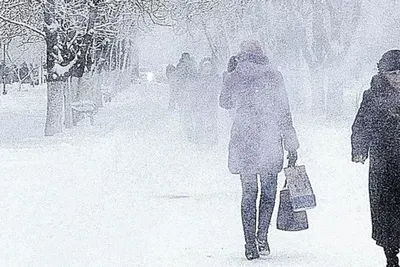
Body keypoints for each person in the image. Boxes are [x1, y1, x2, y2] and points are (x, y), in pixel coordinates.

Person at [219, 40, 299, 260]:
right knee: (268, 193)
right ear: (262, 54)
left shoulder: (234, 76)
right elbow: (284, 111)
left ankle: (249, 244)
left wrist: (228, 75)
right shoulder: (274, 76)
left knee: (248, 193)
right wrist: (291, 144)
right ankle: (262, 238)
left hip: (243, 140)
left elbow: (224, 103)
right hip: (270, 138)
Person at [351, 49, 400, 267]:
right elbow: (361, 124)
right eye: (393, 74)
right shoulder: (372, 96)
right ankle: (391, 255)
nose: (398, 78)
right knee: (386, 209)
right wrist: (359, 147)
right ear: (383, 75)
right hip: (384, 162)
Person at [192, 58, 221, 145]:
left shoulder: (215, 79)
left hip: (211, 105)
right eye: (205, 68)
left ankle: (212, 141)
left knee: (211, 124)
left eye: (209, 68)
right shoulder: (198, 79)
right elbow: (194, 92)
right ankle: (199, 140)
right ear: (202, 68)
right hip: (200, 105)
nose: (207, 70)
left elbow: (218, 90)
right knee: (199, 123)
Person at [175, 53, 198, 141]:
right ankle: (188, 130)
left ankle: (191, 130)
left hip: (191, 93)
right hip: (184, 93)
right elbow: (178, 79)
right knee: (186, 113)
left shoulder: (192, 67)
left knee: (190, 113)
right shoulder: (181, 66)